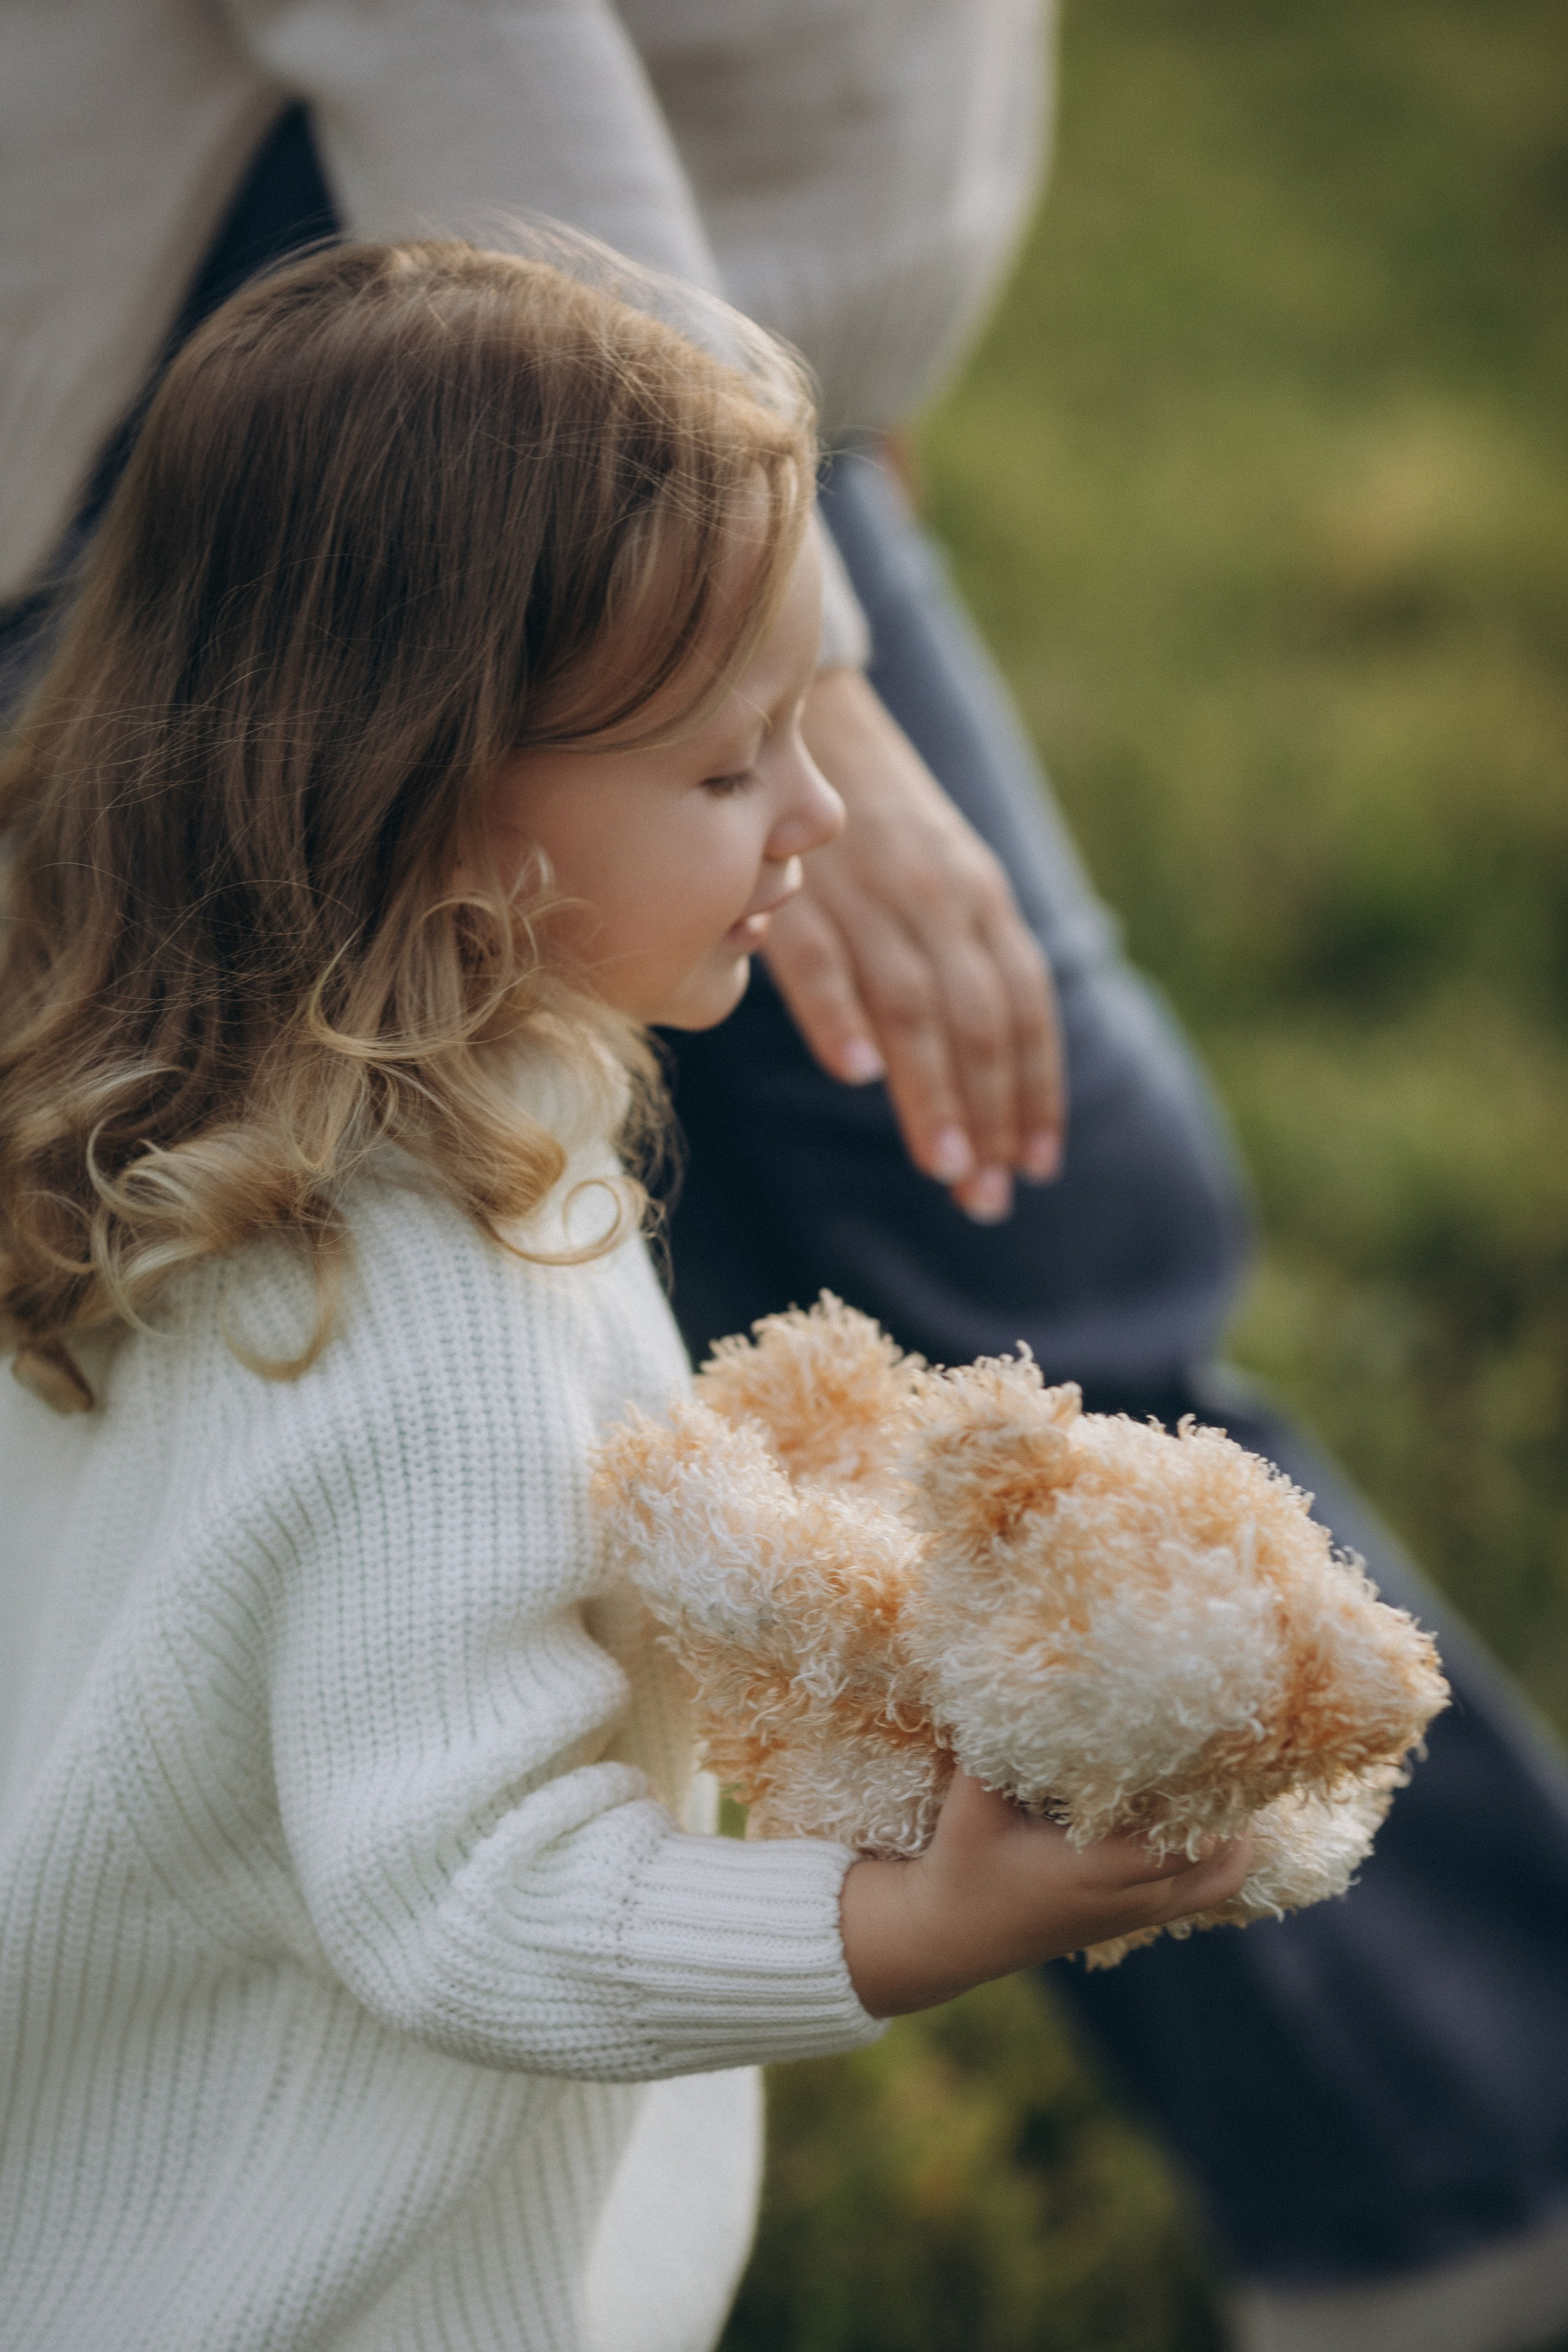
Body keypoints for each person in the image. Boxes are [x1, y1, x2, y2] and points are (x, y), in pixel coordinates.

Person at [2, 9, 1566, 2348]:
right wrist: (910, 1922)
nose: (824, 810)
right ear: (447, 809)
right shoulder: (423, 1307)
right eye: (741, 765)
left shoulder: (195, 1135)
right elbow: (472, 1896)